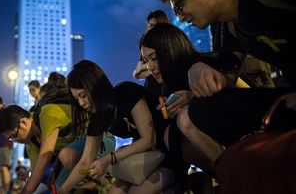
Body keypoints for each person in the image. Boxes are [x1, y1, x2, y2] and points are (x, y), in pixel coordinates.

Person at [140, 23, 295, 176]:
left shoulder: (203, 66)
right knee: (171, 134)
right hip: (216, 141)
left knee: (185, 118)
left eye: (154, 58)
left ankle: (238, 176)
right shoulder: (161, 85)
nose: (150, 67)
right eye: (146, 61)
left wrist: (193, 96)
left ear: (170, 51)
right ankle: (226, 176)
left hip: (252, 125)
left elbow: (239, 93)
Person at [158, 0, 296, 106]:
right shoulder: (224, 26)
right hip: (289, 97)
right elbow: (227, 76)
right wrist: (198, 74)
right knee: (198, 112)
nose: (181, 18)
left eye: (179, 8)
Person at [59, 60, 174, 194]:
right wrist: (63, 189)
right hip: (145, 159)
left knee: (138, 192)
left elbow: (149, 140)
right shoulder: (97, 118)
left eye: (83, 95)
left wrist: (107, 159)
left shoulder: (127, 93)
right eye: (76, 99)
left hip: (168, 151)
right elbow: (85, 161)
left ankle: (186, 184)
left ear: (95, 86)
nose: (81, 103)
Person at [133, 10, 169, 82]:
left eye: (154, 58)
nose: (152, 29)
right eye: (150, 26)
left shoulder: (169, 41)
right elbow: (137, 73)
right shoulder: (145, 43)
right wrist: (151, 69)